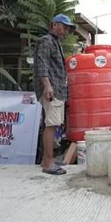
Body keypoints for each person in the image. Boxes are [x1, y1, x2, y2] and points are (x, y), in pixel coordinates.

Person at [33, 13, 76, 175]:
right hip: (52, 89)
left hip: (56, 89)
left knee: (51, 124)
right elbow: (41, 64)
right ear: (54, 25)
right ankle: (48, 163)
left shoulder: (55, 42)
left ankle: (46, 160)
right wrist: (47, 86)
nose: (65, 31)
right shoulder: (46, 41)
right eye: (64, 27)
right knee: (51, 126)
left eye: (67, 29)